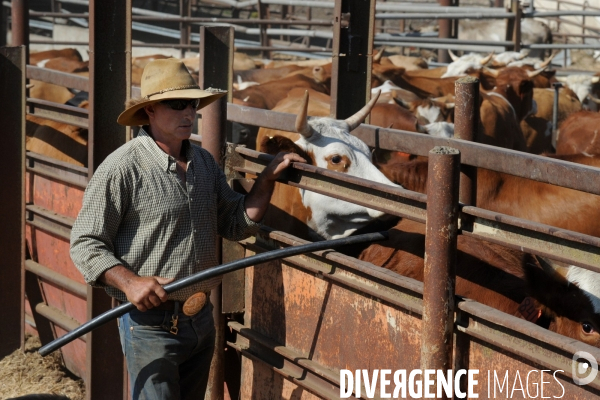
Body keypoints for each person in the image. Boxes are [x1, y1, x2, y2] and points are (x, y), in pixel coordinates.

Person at [70, 58, 305, 400]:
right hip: (148, 324)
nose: (188, 114)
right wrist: (131, 282)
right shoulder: (123, 167)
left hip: (200, 318)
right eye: (177, 104)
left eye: (193, 104)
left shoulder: (204, 163)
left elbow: (235, 224)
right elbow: (85, 243)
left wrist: (266, 179)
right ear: (149, 110)